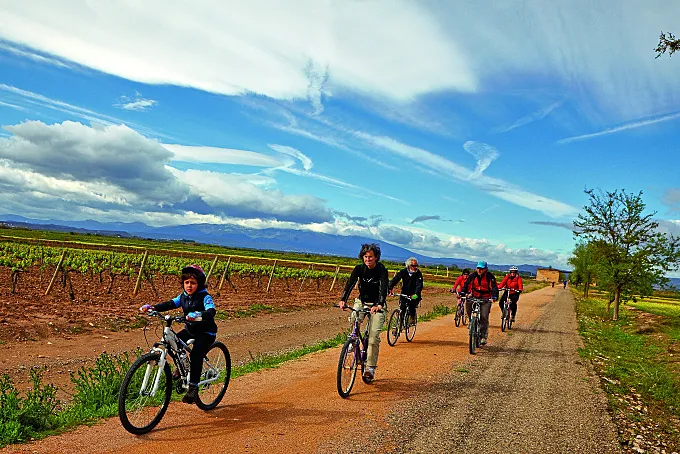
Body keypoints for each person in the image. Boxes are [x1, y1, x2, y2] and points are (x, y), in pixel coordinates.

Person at [140, 264, 217, 404]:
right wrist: (153, 307)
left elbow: (211, 311)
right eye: (186, 282)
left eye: (193, 283)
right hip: (191, 330)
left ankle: (193, 387)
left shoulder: (205, 297)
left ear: (199, 284)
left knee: (195, 355)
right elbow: (170, 303)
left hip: (206, 332)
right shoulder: (183, 296)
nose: (189, 286)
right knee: (172, 341)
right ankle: (182, 368)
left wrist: (198, 314)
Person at [339, 243, 388, 382]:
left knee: (373, 338)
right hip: (362, 301)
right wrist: (343, 300)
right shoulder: (359, 269)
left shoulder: (381, 270)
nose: (368, 259)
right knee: (354, 316)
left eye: (371, 257)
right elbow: (350, 284)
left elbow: (383, 288)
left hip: (376, 305)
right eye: (365, 257)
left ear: (376, 258)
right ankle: (352, 340)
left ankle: (370, 368)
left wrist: (379, 304)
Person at [461, 261, 498, 346]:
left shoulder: (490, 276)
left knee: (484, 317)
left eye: (481, 268)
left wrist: (494, 296)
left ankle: (483, 336)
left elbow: (494, 287)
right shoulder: (472, 276)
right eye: (478, 268)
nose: (479, 270)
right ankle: (471, 320)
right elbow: (466, 284)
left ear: (486, 269)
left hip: (486, 298)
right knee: (468, 303)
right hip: (475, 296)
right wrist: (463, 292)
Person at [388, 257, 424, 325]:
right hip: (404, 293)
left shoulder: (418, 274)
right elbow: (395, 279)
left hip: (414, 294)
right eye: (413, 266)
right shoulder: (403, 272)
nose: (415, 267)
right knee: (402, 308)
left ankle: (412, 317)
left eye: (416, 265)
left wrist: (416, 294)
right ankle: (399, 326)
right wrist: (389, 288)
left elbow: (419, 285)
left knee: (411, 305)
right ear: (408, 266)